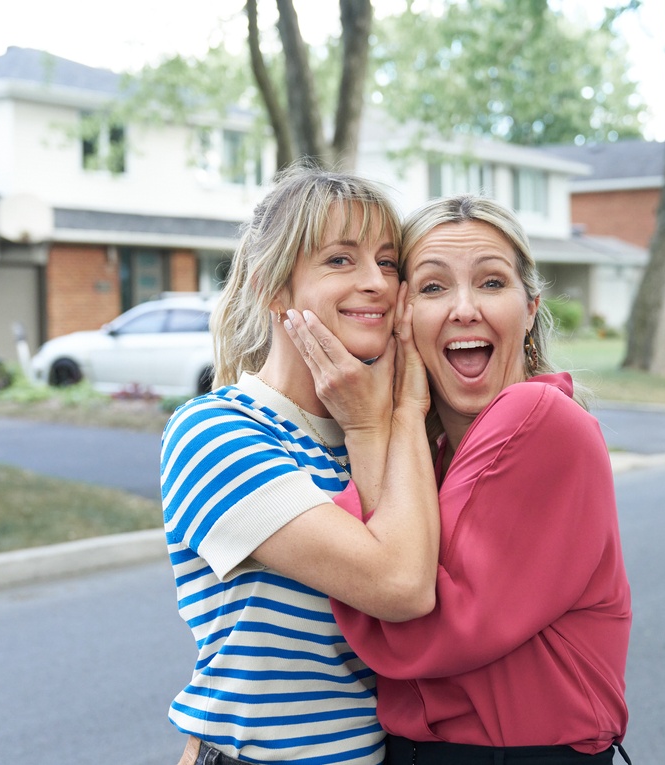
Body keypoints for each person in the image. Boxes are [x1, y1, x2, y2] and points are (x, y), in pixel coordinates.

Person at [322, 195, 633, 764]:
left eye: (491, 283)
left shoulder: (540, 418)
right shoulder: (428, 453)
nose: (464, 309)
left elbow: (411, 626)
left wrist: (374, 427)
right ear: (402, 317)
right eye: (433, 288)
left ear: (531, 306)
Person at [159, 165, 439, 765]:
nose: (378, 285)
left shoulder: (384, 432)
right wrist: (389, 419)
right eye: (340, 260)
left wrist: (386, 421)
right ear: (273, 287)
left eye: (388, 263)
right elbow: (400, 587)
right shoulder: (216, 433)